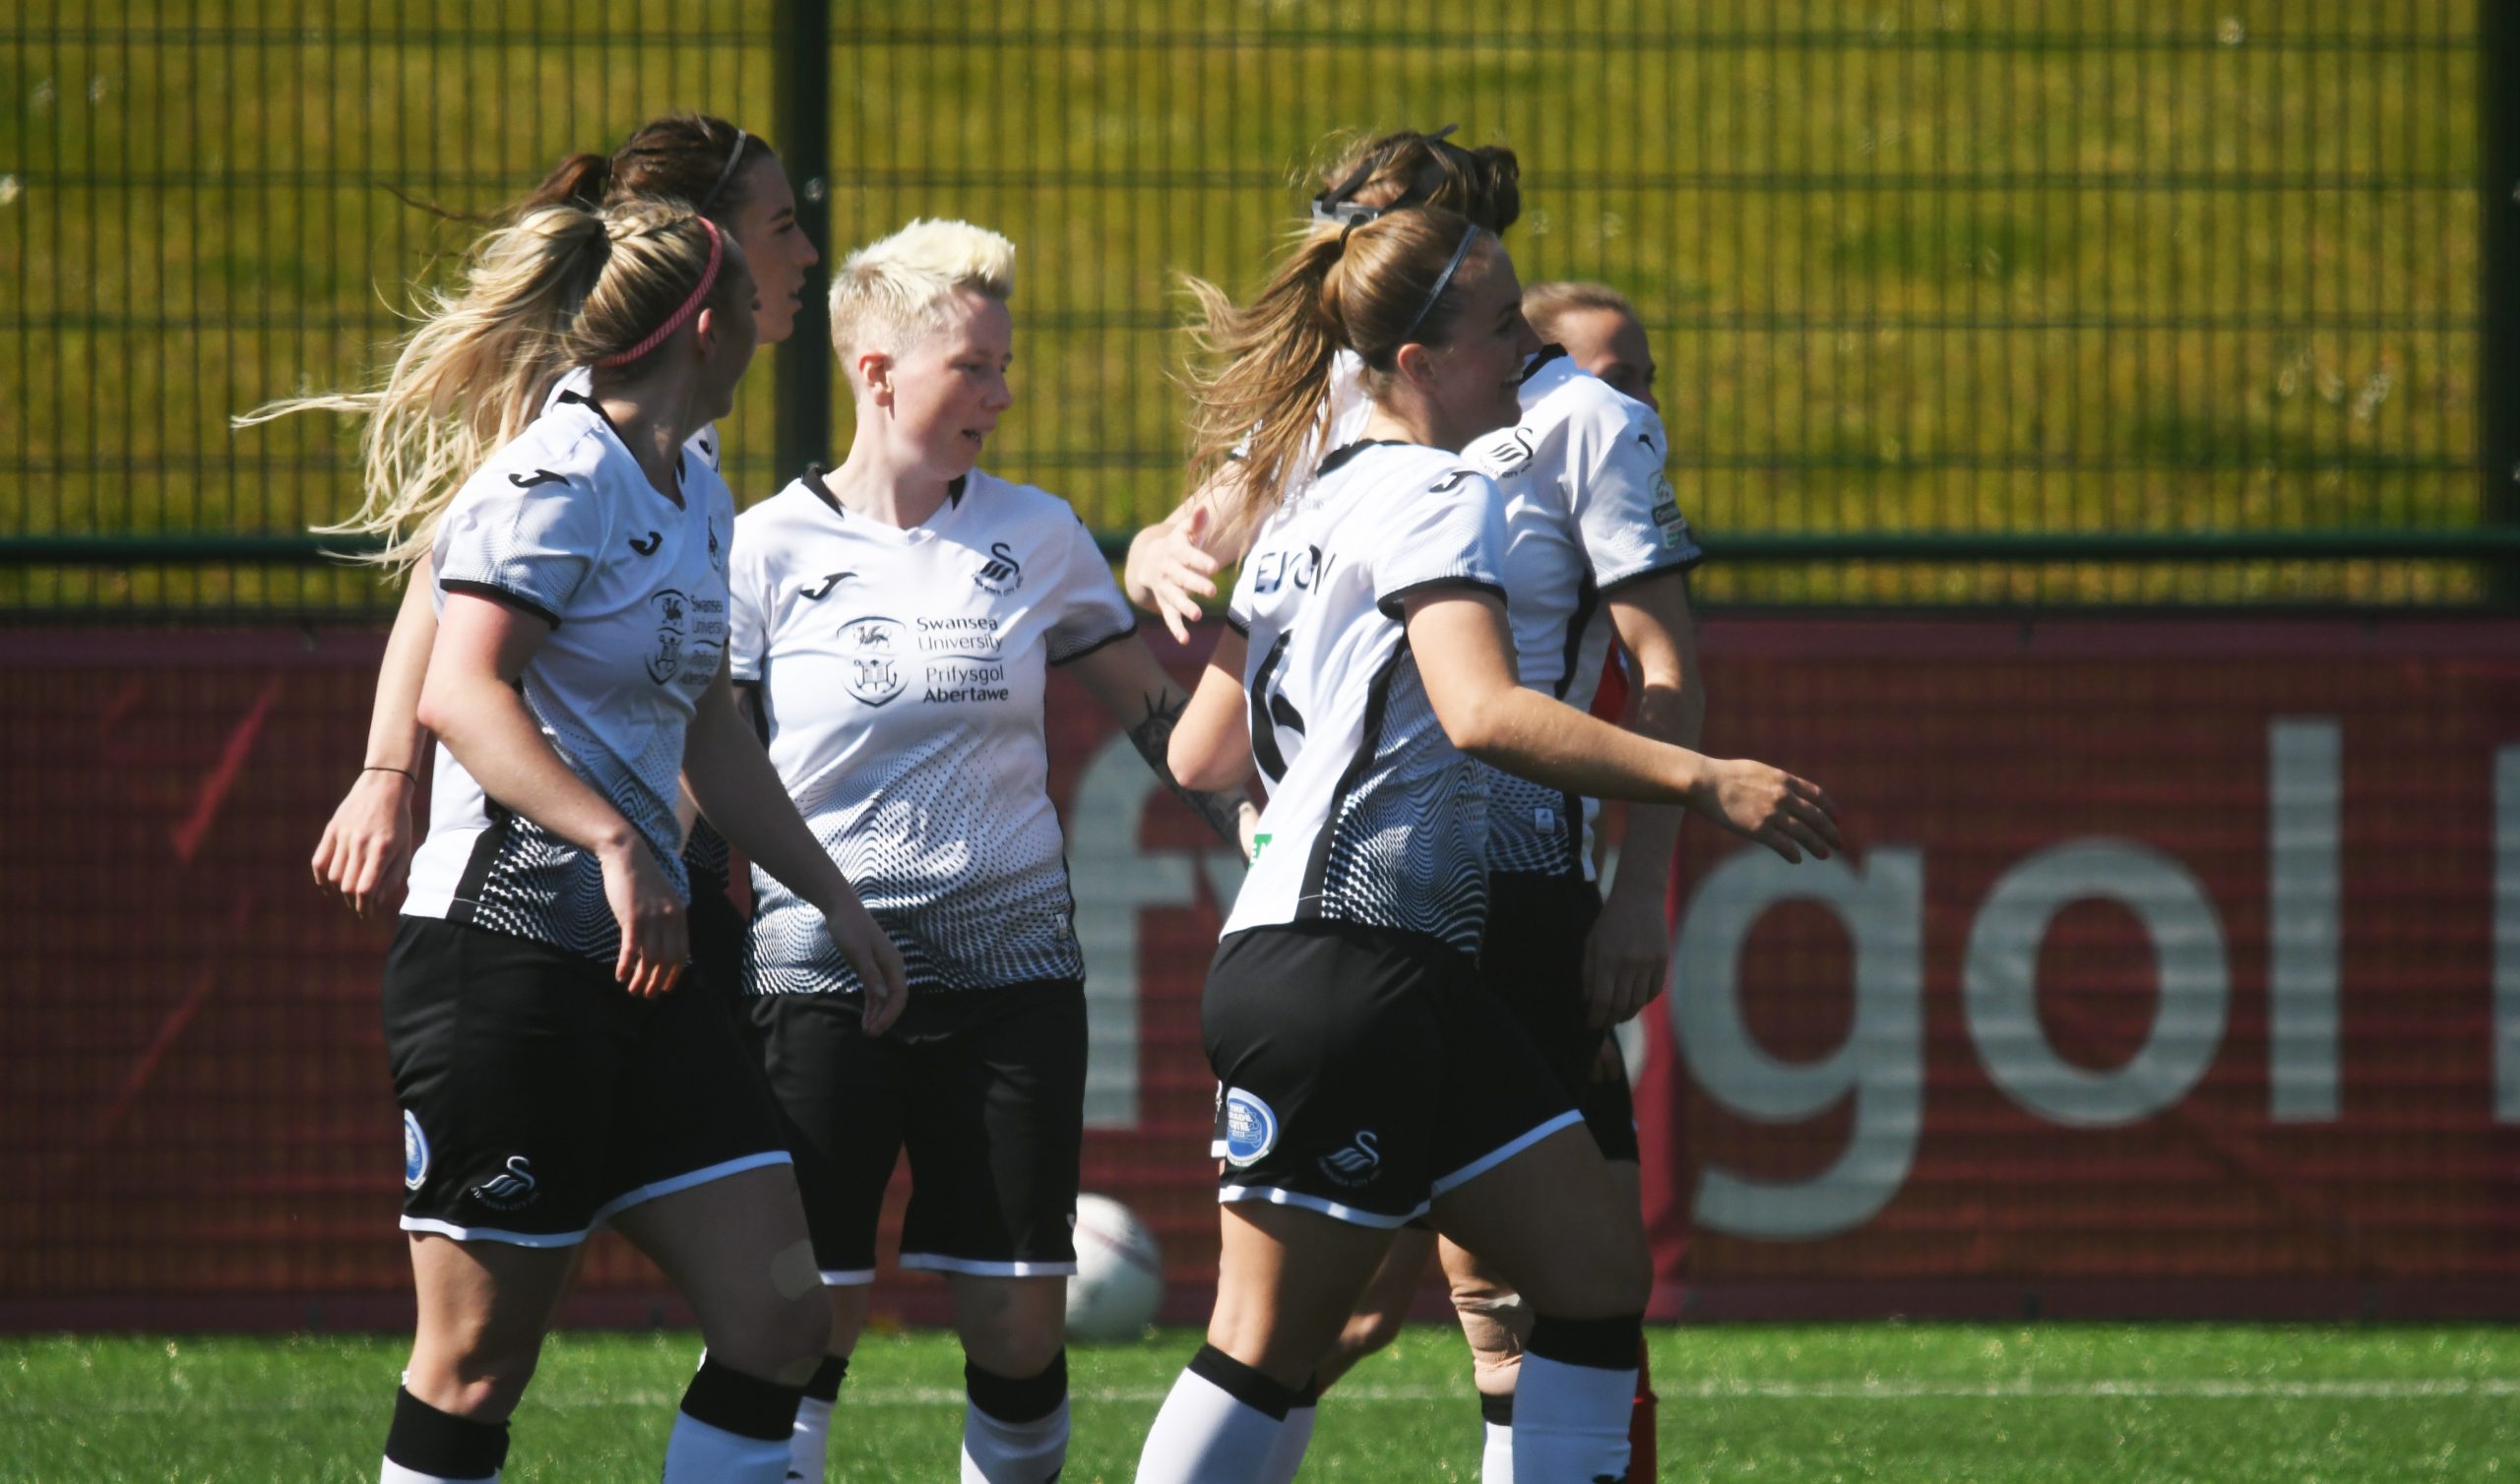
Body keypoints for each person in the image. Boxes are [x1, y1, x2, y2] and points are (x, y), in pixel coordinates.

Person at [1132, 206, 1836, 1484]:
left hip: (1405, 964)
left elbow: (1203, 755)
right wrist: (1705, 777)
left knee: (1591, 1274)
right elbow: (1486, 711)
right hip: (1347, 964)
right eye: (1503, 325)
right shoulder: (1440, 488)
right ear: (1420, 360)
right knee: (1271, 1336)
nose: (1530, 349)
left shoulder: (1311, 499)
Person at [243, 197, 905, 1484]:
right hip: (504, 963)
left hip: (639, 976)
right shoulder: (555, 476)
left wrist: (835, 898)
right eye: (754, 300)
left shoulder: (696, 486)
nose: (779, 319)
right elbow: (464, 692)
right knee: (477, 1367)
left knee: (779, 1319)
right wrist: (613, 839)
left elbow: (711, 734)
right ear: (707, 324)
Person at [727, 219, 1255, 1484]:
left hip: (1013, 978)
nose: (1002, 395)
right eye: (975, 366)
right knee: (808, 1318)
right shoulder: (759, 548)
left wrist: (1266, 837)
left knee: (1019, 1325)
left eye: (1005, 364)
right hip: (820, 980)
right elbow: (714, 770)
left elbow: (1157, 721)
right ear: (877, 371)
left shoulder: (1041, 533)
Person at [1299, 277, 1694, 1483]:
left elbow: (1667, 666)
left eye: (1639, 374)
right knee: (1346, 1308)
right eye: (1584, 363)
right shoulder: (1372, 440)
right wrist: (1164, 542)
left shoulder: (1592, 445)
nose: (1620, 395)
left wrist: (1635, 895)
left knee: (1565, 1292)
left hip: (1525, 901)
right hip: (1377, 906)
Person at [307, 113, 821, 956]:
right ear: (704, 245)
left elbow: (701, 719)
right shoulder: (585, 438)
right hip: (530, 891)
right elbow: (445, 585)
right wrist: (387, 773)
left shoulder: (688, 453)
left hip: (642, 859)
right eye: (783, 226)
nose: (806, 253)